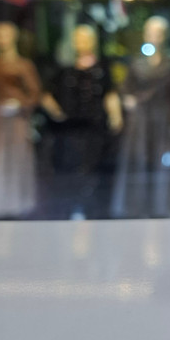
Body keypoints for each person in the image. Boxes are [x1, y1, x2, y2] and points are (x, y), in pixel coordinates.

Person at [42, 24, 122, 219]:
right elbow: (45, 94)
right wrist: (56, 112)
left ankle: (92, 209)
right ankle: (70, 208)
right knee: (69, 168)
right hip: (69, 129)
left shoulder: (102, 67)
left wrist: (115, 115)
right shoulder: (63, 68)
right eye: (79, 39)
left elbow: (110, 93)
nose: (82, 43)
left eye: (86, 39)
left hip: (95, 127)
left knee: (93, 168)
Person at [111, 16, 170, 218]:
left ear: (166, 35)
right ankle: (137, 207)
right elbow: (126, 89)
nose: (155, 37)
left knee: (165, 164)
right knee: (139, 161)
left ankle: (165, 206)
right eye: (151, 33)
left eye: (159, 33)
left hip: (165, 118)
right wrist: (127, 100)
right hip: (141, 121)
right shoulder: (137, 63)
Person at [0, 22, 41, 218]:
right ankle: (0, 202)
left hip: (18, 120)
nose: (1, 39)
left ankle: (18, 202)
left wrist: (19, 104)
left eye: (5, 35)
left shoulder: (24, 65)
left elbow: (35, 94)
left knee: (18, 157)